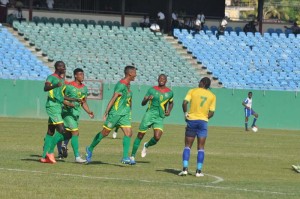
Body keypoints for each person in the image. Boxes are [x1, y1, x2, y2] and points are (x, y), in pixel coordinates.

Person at [85, 65, 137, 164]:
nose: (136, 75)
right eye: (134, 72)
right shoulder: (121, 85)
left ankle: (125, 157)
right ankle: (90, 148)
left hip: (124, 115)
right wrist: (106, 112)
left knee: (129, 133)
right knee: (105, 133)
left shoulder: (127, 85)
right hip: (115, 114)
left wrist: (129, 110)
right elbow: (113, 98)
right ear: (130, 73)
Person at [45, 68, 94, 164]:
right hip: (67, 113)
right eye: (80, 74)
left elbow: (83, 102)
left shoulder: (84, 88)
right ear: (75, 75)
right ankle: (77, 157)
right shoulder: (69, 86)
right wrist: (68, 104)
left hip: (75, 115)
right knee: (75, 132)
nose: (82, 76)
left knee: (64, 135)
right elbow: (61, 97)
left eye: (83, 74)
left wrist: (89, 112)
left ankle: (49, 150)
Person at [130, 74, 174, 164]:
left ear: (166, 81)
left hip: (159, 117)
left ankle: (146, 145)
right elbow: (143, 103)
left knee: (157, 137)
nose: (161, 80)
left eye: (163, 79)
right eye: (160, 78)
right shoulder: (151, 90)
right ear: (158, 79)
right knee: (140, 135)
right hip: (149, 115)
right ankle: (132, 156)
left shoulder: (170, 92)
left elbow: (171, 103)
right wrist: (147, 99)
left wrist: (169, 111)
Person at [178, 77, 216, 177]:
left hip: (192, 120)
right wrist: (205, 117)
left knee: (187, 146)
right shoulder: (212, 96)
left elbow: (184, 103)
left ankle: (185, 169)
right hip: (203, 122)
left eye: (200, 81)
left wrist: (186, 113)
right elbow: (212, 112)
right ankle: (198, 171)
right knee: (201, 147)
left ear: (202, 83)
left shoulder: (193, 91)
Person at [40, 61, 67, 163]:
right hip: (52, 106)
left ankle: (43, 157)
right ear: (57, 67)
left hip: (58, 106)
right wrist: (55, 85)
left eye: (64, 66)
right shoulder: (51, 77)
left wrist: (71, 101)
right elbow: (45, 88)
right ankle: (50, 152)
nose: (63, 68)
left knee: (50, 132)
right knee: (62, 131)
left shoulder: (62, 80)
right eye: (62, 66)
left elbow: (61, 95)